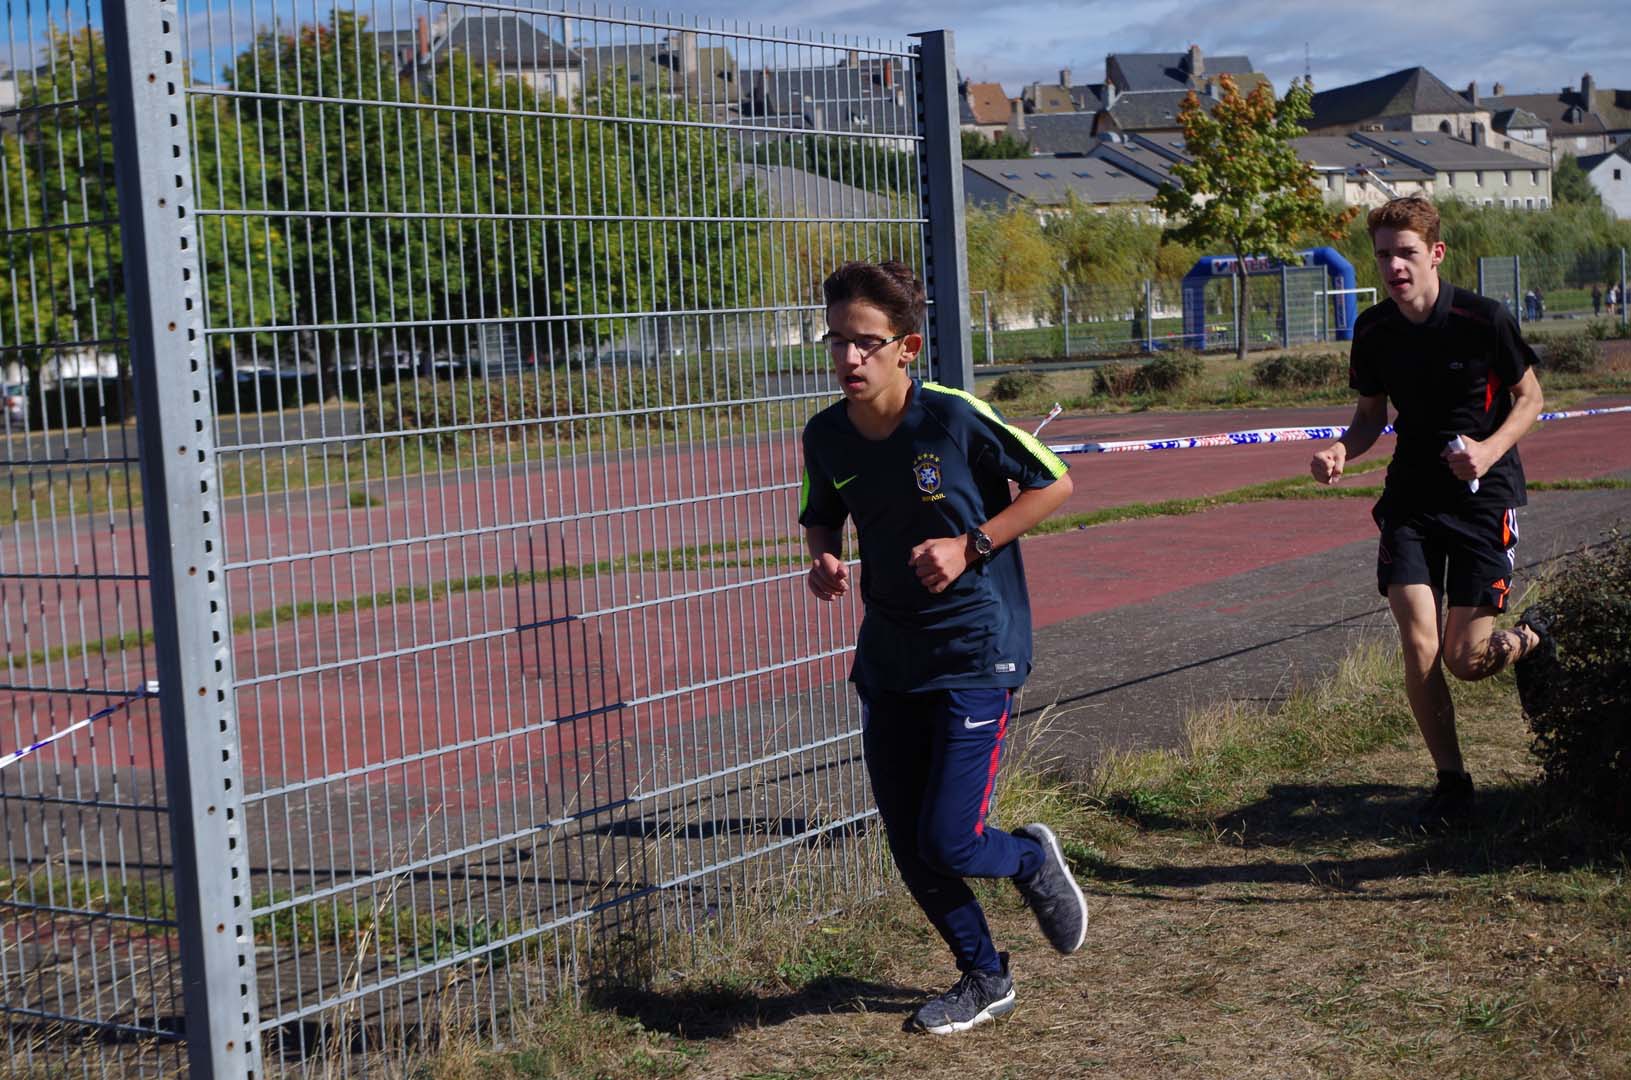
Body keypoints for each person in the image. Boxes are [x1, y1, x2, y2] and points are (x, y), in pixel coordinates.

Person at [800, 260, 1086, 1034]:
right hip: (889, 655)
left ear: (907, 347)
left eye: (864, 343)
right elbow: (822, 512)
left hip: (973, 648)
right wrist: (824, 555)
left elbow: (1053, 480)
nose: (847, 359)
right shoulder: (825, 434)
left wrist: (971, 544)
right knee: (907, 840)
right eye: (836, 342)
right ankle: (984, 975)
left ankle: (1027, 858)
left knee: (949, 835)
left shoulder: (951, 418)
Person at [1309, 196, 1556, 828]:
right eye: (1385, 254)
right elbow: (1370, 416)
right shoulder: (1373, 329)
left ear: (1435, 254)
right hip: (1411, 500)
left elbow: (1530, 398)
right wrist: (1342, 448)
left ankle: (1534, 636)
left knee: (1465, 660)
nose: (1394, 266)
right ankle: (1452, 782)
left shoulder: (1484, 319)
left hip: (1483, 499)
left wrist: (1489, 449)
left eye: (1407, 253)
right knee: (1418, 643)